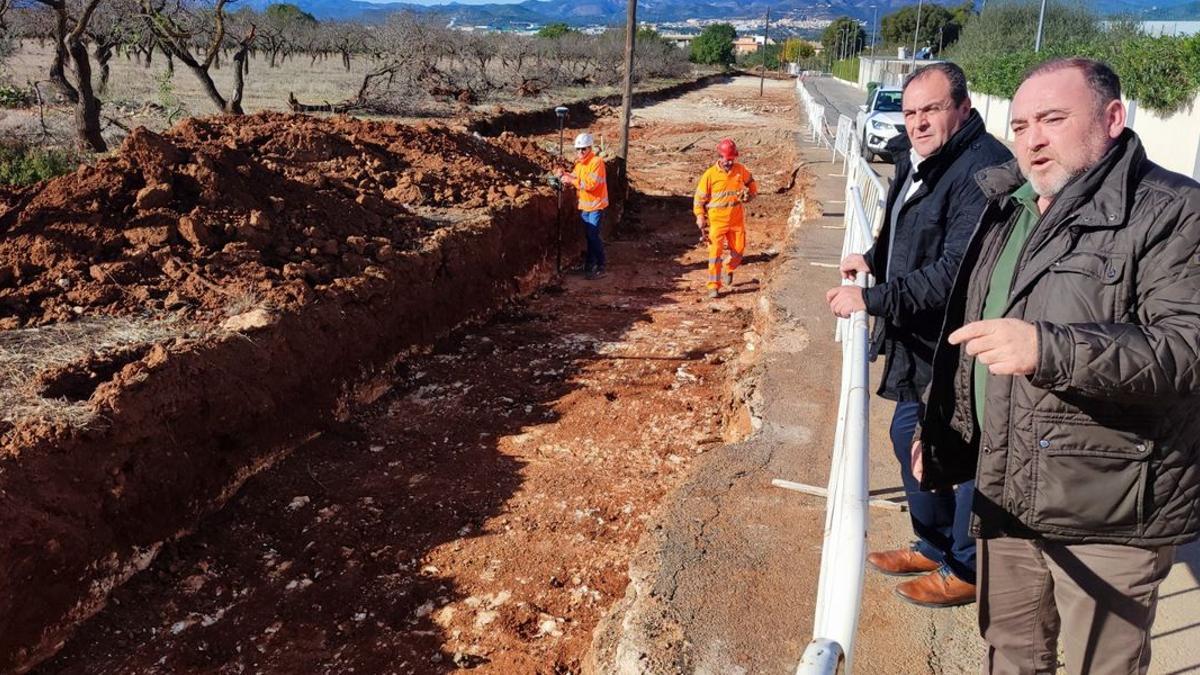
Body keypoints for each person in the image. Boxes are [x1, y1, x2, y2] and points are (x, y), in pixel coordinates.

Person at [914, 58, 1200, 674]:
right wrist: (943, 431)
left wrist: (1049, 348)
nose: (1032, 139)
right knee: (1012, 656)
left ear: (1113, 119)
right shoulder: (1011, 205)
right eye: (1019, 125)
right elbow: (974, 333)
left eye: (1052, 119)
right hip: (1007, 492)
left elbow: (1188, 349)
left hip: (1110, 512)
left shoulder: (1175, 211)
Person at [826, 62, 1011, 607]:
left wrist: (872, 298)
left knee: (960, 454)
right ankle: (932, 545)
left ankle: (966, 566)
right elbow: (902, 228)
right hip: (921, 342)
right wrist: (873, 258)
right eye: (910, 112)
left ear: (962, 107)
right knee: (909, 438)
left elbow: (957, 270)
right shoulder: (920, 159)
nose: (918, 122)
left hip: (959, 346)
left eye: (931, 109)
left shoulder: (983, 170)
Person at [693, 139, 757, 299]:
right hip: (717, 222)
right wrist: (700, 216)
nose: (729, 162)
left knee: (738, 252)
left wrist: (750, 195)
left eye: (731, 159)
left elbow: (751, 184)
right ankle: (713, 286)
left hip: (736, 221)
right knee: (714, 255)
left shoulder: (740, 170)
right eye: (726, 159)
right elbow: (699, 199)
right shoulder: (710, 175)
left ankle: (729, 267)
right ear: (719, 156)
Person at [556, 132, 608, 280]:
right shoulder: (579, 164)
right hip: (585, 206)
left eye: (583, 149)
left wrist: (571, 181)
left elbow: (590, 184)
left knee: (593, 235)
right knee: (589, 236)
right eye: (578, 149)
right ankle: (589, 265)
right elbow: (575, 177)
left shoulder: (597, 162)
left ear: (589, 148)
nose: (580, 152)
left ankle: (600, 265)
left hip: (596, 205)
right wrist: (564, 174)